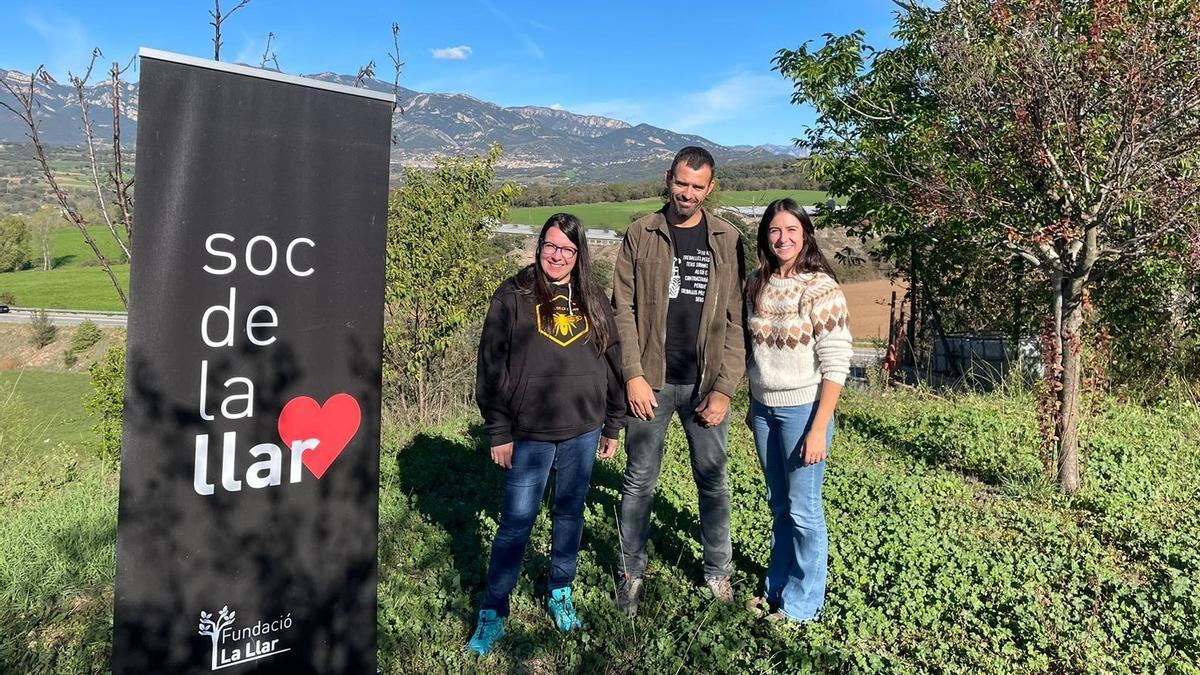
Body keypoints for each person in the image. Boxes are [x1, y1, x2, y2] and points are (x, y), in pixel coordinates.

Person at [468, 213, 625, 655]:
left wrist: (613, 421)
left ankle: (561, 590)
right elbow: (490, 364)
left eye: (567, 249)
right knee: (515, 523)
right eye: (550, 246)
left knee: (570, 514)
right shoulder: (513, 295)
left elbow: (613, 359)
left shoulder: (593, 298)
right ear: (539, 247)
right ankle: (494, 610)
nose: (557, 256)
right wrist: (498, 430)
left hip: (583, 428)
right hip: (529, 432)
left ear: (579, 256)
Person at [611, 146, 745, 616]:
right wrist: (633, 375)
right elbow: (621, 312)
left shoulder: (728, 240)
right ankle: (631, 572)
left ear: (710, 188)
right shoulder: (640, 233)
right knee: (639, 480)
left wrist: (725, 388)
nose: (687, 193)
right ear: (668, 178)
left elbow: (735, 321)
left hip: (706, 385)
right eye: (681, 182)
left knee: (713, 481)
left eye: (697, 186)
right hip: (652, 382)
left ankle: (717, 572)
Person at [743, 198, 852, 623]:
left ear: (805, 234)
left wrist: (818, 427)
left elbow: (837, 361)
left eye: (791, 230)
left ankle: (803, 604)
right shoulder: (757, 281)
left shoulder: (820, 287)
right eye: (775, 230)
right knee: (778, 504)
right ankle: (776, 586)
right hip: (763, 410)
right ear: (765, 235)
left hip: (803, 411)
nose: (783, 238)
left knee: (804, 509)